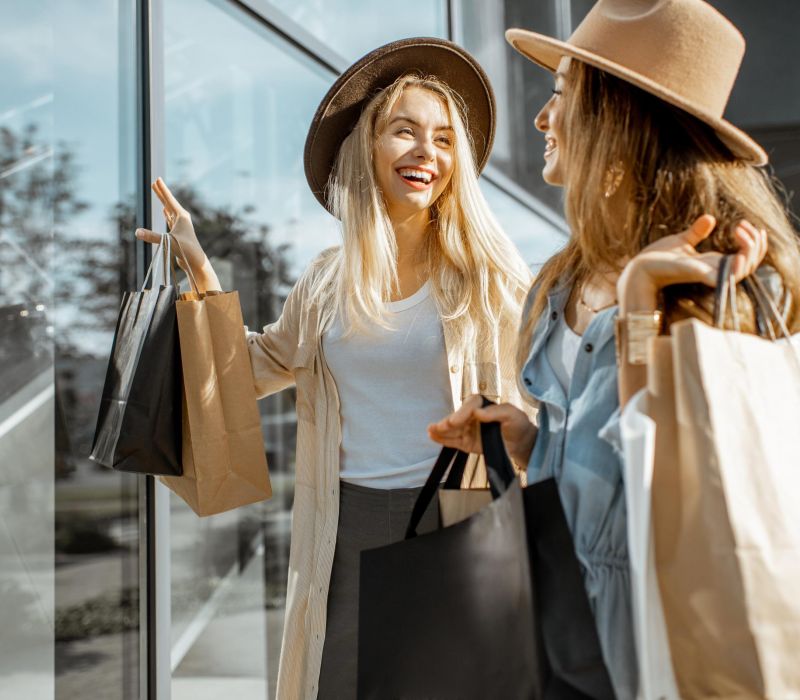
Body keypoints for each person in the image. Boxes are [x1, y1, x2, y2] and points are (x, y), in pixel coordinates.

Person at [136, 38, 532, 699]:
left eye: (441, 139)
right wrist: (201, 271)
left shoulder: (490, 279)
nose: (424, 153)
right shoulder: (326, 280)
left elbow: (541, 397)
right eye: (404, 131)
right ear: (367, 148)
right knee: (337, 684)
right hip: (344, 523)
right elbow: (260, 364)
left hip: (456, 517)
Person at [428, 1, 800, 698]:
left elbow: (694, 466)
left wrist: (638, 308)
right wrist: (524, 437)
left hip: (666, 624)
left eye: (562, 95)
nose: (540, 119)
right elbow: (594, 449)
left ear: (619, 119)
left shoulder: (727, 276)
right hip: (562, 618)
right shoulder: (563, 277)